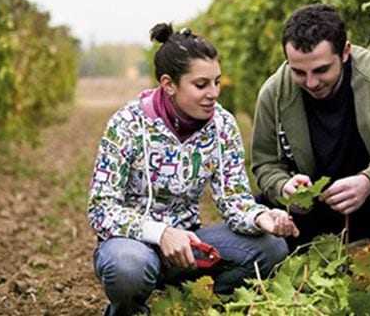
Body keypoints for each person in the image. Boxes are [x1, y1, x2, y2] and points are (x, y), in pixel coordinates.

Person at [88, 23, 299, 316]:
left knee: (272, 248)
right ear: (168, 84)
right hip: (132, 243)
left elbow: (234, 198)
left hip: (190, 247)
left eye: (217, 82)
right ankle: (129, 310)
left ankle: (194, 305)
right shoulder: (127, 124)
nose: (214, 93)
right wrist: (161, 233)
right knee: (128, 268)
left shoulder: (222, 125)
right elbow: (101, 209)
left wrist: (262, 217)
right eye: (201, 85)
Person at [251, 4, 370, 282]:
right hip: (317, 208)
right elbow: (265, 162)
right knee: (265, 210)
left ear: (345, 52)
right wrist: (284, 187)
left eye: (321, 70)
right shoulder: (274, 92)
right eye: (299, 72)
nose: (311, 82)